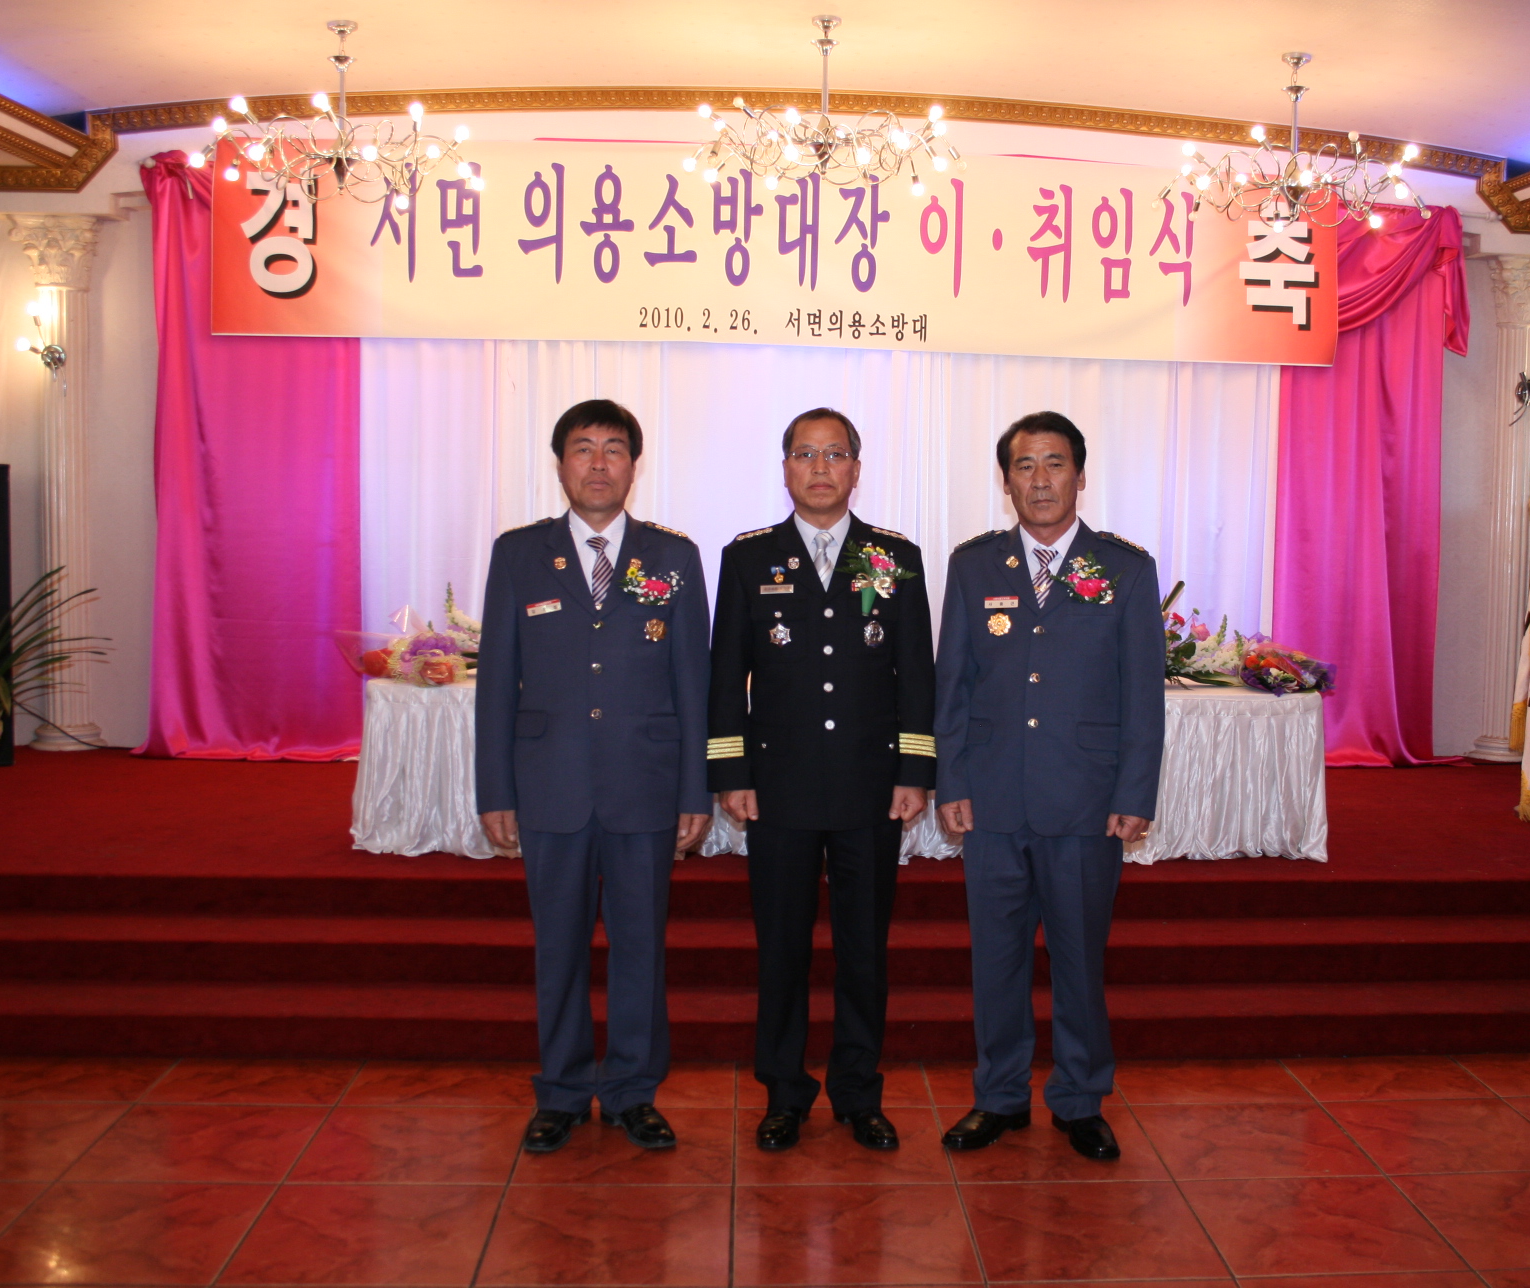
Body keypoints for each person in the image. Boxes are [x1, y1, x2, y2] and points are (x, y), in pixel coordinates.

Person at [476, 398, 712, 1155]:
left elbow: (694, 684)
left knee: (641, 947)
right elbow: (496, 683)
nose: (599, 463)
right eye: (583, 448)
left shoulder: (673, 557)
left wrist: (694, 790)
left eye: (614, 449)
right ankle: (563, 1091)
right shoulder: (519, 554)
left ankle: (634, 1091)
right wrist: (495, 790)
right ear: (560, 464)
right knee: (560, 948)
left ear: (634, 466)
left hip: (645, 785)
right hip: (551, 784)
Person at [931, 410, 1165, 1161]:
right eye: (1024, 466)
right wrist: (950, 779)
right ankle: (999, 1096)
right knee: (996, 962)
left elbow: (1143, 697)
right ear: (1005, 482)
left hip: (1086, 802)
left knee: (1079, 960)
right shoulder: (974, 566)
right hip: (992, 800)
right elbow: (952, 685)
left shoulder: (1125, 569)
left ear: (1080, 476)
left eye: (1054, 463)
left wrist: (1133, 793)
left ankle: (1079, 1098)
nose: (1040, 480)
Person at [708, 407, 936, 1152]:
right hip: (779, 788)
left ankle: (858, 1093)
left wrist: (914, 769)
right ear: (785, 468)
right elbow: (725, 677)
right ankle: (784, 1093)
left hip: (872, 788)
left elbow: (916, 674)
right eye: (805, 454)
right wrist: (731, 771)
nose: (820, 468)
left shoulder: (894, 557)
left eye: (834, 454)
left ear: (856, 469)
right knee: (782, 950)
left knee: (863, 951)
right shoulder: (749, 559)